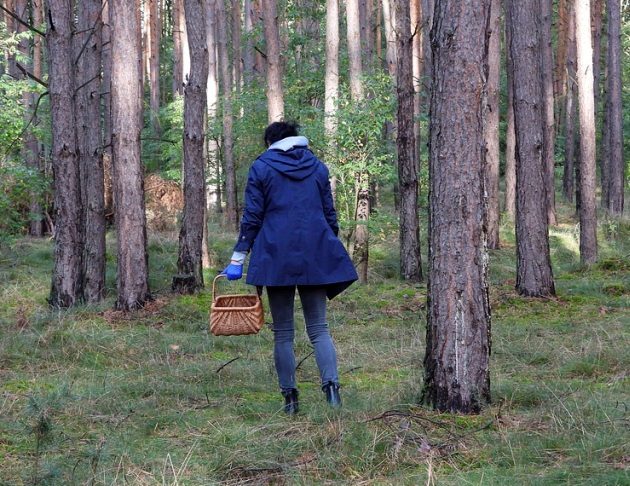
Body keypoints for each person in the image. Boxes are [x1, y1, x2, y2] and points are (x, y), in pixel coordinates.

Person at [222, 121, 358, 415]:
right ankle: (332, 391)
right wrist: (323, 244)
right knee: (319, 328)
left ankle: (291, 399)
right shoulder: (318, 167)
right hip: (316, 254)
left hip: (275, 255)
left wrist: (238, 257)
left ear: (270, 141)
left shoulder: (261, 167)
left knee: (283, 332)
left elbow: (253, 217)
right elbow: (330, 216)